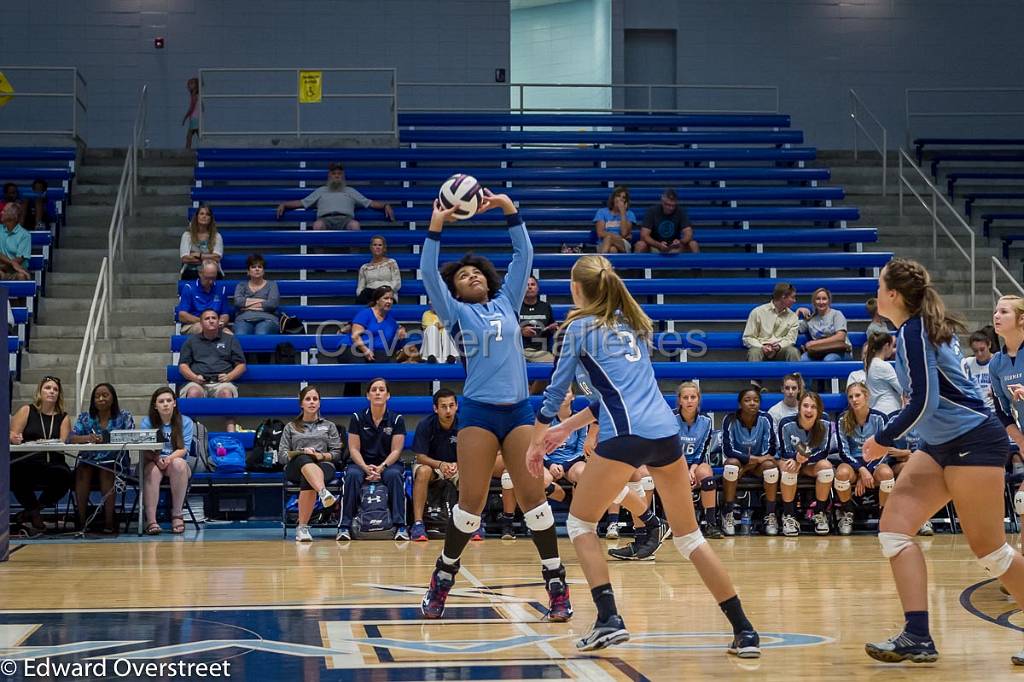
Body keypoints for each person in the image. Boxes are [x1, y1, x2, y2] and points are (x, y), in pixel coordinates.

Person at [526, 254, 759, 655]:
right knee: (690, 538)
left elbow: (552, 392)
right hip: (665, 436)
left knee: (581, 525)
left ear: (577, 289)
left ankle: (609, 619)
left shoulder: (579, 327)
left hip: (627, 437)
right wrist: (568, 427)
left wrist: (538, 437)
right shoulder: (629, 324)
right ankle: (745, 631)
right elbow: (613, 397)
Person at [860, 257, 1023, 666]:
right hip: (939, 444)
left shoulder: (915, 331)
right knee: (895, 531)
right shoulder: (911, 330)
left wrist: (882, 439)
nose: (876, 292)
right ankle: (917, 635)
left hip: (974, 440)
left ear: (893, 295)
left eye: (880, 286)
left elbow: (925, 400)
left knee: (991, 552)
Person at [419, 192, 573, 623]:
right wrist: (436, 226)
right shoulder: (454, 314)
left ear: (488, 279)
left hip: (520, 411)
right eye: (462, 275)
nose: (470, 276)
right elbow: (428, 273)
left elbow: (524, 250)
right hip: (479, 414)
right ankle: (442, 579)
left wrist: (508, 207)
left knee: (534, 501)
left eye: (475, 272)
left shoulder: (507, 300)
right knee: (469, 505)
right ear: (456, 290)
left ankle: (557, 584)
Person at [337, 378, 408, 540]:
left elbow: (397, 450)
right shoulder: (357, 417)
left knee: (395, 475)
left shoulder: (397, 419)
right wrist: (365, 467)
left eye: (381, 389)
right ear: (367, 395)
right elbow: (353, 448)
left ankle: (400, 526)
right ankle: (344, 526)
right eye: (374, 389)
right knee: (352, 476)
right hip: (361, 464)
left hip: (388, 464)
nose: (377, 392)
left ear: (388, 395)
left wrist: (381, 467)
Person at [8, 376, 72, 536]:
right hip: (27, 462)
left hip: (52, 463)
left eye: (55, 389)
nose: (51, 391)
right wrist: (13, 438)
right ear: (40, 391)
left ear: (59, 395)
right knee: (14, 470)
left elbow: (64, 443)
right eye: (48, 388)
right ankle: (35, 514)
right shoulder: (27, 410)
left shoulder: (63, 417)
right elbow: (12, 435)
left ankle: (31, 512)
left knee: (65, 476)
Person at [69, 383, 135, 534]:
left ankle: (109, 522)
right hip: (89, 463)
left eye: (105, 395)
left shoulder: (124, 416)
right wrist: (87, 438)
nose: (101, 398)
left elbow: (131, 436)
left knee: (106, 470)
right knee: (82, 469)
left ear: (113, 398)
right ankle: (81, 521)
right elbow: (70, 437)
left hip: (116, 465)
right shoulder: (85, 418)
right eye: (97, 396)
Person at [281, 386, 345, 542]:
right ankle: (323, 492)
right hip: (296, 465)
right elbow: (282, 456)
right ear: (301, 404)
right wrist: (302, 452)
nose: (311, 402)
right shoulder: (291, 427)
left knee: (307, 478)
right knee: (304, 460)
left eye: (315, 399)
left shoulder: (329, 426)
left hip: (323, 465)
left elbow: (337, 454)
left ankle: (302, 528)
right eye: (308, 399)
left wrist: (319, 455)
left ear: (319, 403)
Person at [833, 382, 896, 535]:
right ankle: (847, 513)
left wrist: (867, 470)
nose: (854, 399)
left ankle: (884, 517)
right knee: (841, 474)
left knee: (887, 474)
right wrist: (861, 470)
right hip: (853, 464)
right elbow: (843, 452)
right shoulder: (842, 419)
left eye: (857, 395)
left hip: (875, 463)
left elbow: (884, 450)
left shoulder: (880, 418)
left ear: (866, 396)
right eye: (850, 397)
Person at [719, 388, 780, 536]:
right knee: (731, 465)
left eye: (756, 400)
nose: (752, 403)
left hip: (759, 465)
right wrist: (748, 461)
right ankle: (728, 514)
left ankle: (770, 515)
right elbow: (729, 450)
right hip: (739, 462)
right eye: (747, 400)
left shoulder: (766, 419)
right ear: (740, 403)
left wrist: (749, 466)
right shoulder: (729, 419)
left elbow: (770, 451)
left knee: (771, 467)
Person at [777, 391, 838, 536]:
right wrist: (796, 459)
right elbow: (784, 452)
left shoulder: (825, 423)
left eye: (813, 407)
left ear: (819, 410)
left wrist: (803, 459)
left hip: (811, 463)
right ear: (799, 407)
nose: (809, 410)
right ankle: (789, 515)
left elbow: (823, 452)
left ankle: (819, 513)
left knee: (827, 468)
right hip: (790, 461)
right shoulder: (786, 423)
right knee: (787, 468)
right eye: (805, 406)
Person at [989, 297, 1024, 544]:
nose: (996, 316)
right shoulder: (996, 363)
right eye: (995, 311)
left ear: (1021, 319)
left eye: (1004, 311)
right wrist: (1020, 440)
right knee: (1022, 500)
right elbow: (1001, 411)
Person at [138, 387, 194, 535]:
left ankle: (177, 514)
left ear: (174, 403)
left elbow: (183, 449)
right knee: (153, 472)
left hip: (175, 461)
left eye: (169, 401)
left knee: (179, 464)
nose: (165, 404)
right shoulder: (147, 422)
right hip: (153, 460)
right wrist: (157, 458)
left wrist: (168, 458)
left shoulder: (186, 422)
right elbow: (144, 450)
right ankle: (151, 520)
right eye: (161, 401)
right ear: (155, 405)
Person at [275, 162, 394, 230]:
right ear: (329, 176)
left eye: (339, 174)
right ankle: (319, 265)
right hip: (325, 219)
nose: (336, 176)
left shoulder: (350, 191)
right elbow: (301, 202)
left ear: (343, 176)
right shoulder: (321, 190)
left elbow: (371, 203)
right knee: (317, 225)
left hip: (345, 220)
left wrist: (386, 205)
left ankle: (352, 263)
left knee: (355, 225)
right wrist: (284, 204)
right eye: (334, 173)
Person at [410, 389, 460, 542]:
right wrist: (440, 464)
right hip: (432, 466)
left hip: (458, 466)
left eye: (451, 406)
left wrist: (458, 464)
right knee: (423, 471)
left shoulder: (465, 424)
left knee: (472, 472)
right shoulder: (425, 424)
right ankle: (418, 524)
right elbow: (420, 457)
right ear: (435, 408)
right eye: (443, 406)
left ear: (457, 406)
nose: (448, 410)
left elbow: (473, 453)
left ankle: (472, 521)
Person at [675, 382, 720, 538]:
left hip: (695, 463)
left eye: (693, 397)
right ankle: (677, 522)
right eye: (685, 397)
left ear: (698, 399)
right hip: (674, 464)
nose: (689, 401)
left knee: (707, 476)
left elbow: (702, 449)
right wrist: (684, 471)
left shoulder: (706, 421)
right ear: (679, 400)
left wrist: (692, 470)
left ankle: (710, 523)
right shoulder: (670, 419)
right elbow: (670, 449)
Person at [178, 309, 247, 398]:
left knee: (226, 393)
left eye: (214, 318)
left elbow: (241, 365)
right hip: (197, 382)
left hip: (223, 383)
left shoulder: (230, 340)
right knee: (193, 393)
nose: (211, 321)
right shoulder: (191, 341)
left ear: (218, 321)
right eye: (207, 319)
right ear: (201, 323)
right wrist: (194, 377)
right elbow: (183, 366)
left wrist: (229, 376)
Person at [742, 282, 800, 364]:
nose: (795, 301)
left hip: (780, 350)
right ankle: (754, 377)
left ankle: (795, 376)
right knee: (754, 352)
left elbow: (791, 339)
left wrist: (779, 346)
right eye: (793, 297)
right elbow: (748, 337)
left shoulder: (793, 317)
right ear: (783, 297)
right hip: (760, 347)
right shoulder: (757, 312)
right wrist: (762, 347)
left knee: (793, 351)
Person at [520, 276, 559, 394]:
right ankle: (524, 394)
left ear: (537, 288)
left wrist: (554, 328)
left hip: (540, 351)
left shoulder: (545, 306)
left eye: (533, 284)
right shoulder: (516, 307)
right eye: (527, 285)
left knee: (553, 365)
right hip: (518, 350)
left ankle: (530, 395)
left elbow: (552, 326)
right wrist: (521, 331)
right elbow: (507, 330)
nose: (530, 287)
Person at [636, 188, 699, 254]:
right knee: (640, 245)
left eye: (673, 205)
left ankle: (698, 264)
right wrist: (658, 245)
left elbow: (688, 233)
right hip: (655, 246)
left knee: (693, 244)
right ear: (662, 202)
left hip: (675, 247)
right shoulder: (652, 211)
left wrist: (681, 242)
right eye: (668, 205)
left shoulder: (681, 211)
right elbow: (644, 235)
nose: (671, 208)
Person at [796, 287, 852, 361]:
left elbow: (840, 337)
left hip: (839, 350)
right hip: (818, 351)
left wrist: (815, 343)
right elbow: (793, 329)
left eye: (824, 299)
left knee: (829, 359)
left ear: (829, 301)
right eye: (818, 299)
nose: (821, 302)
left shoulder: (837, 314)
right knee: (803, 359)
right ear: (814, 302)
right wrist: (798, 311)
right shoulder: (810, 319)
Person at [176, 261, 230, 334]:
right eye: (207, 278)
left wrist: (221, 322)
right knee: (205, 330)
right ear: (200, 273)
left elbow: (225, 314)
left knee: (229, 335)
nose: (211, 282)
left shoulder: (221, 289)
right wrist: (205, 322)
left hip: (215, 325)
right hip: (194, 324)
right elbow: (182, 315)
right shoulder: (189, 288)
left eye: (213, 278)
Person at [233, 253, 280, 335]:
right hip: (244, 319)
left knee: (261, 333)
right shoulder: (241, 285)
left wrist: (247, 305)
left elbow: (272, 304)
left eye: (260, 267)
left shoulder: (272, 284)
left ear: (263, 271)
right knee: (240, 333)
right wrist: (262, 302)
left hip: (267, 319)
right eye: (253, 267)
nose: (257, 269)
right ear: (248, 271)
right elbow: (238, 302)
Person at [180, 204, 223, 280]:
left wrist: (198, 255)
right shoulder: (187, 235)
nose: (204, 216)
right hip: (191, 272)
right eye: (201, 214)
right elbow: (184, 258)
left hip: (211, 272)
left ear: (210, 219)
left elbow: (217, 257)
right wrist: (209, 257)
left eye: (207, 214)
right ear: (197, 217)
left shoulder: (217, 236)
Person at [863, 331, 902, 415]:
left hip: (877, 409)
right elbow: (902, 389)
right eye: (892, 346)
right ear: (886, 346)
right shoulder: (883, 366)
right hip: (889, 410)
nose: (892, 349)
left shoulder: (870, 363)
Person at [356, 235, 402, 304]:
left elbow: (397, 283)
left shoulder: (391, 263)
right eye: (375, 245)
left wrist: (384, 291)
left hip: (387, 294)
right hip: (370, 295)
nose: (377, 247)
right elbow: (360, 288)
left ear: (384, 248)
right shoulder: (364, 267)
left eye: (380, 245)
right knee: (365, 294)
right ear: (371, 248)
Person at [593, 186, 637, 254]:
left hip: (622, 244)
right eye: (618, 196)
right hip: (603, 244)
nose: (621, 199)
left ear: (626, 201)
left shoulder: (630, 214)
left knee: (609, 238)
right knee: (613, 249)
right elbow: (600, 233)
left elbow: (624, 233)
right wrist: (617, 236)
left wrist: (622, 212)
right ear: (613, 198)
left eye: (624, 197)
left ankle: (600, 262)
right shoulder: (601, 212)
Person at [962, 328, 995, 411]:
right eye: (975, 351)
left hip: (994, 410)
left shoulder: (998, 361)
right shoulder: (968, 363)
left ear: (989, 345)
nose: (979, 354)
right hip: (975, 409)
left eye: (982, 349)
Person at [0, 203, 32, 281]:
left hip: (16, 271)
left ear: (13, 217)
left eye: (4, 211)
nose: (1, 213)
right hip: (2, 269)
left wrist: (7, 265)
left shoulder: (25, 235)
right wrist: (12, 263)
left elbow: (19, 259)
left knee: (21, 276)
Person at [182, 77, 200, 150]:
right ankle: (187, 150)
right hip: (196, 118)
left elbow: (191, 108)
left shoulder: (194, 95)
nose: (189, 85)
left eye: (191, 84)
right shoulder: (196, 95)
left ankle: (187, 151)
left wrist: (185, 118)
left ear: (195, 85)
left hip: (194, 118)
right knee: (195, 135)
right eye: (189, 84)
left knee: (189, 136)